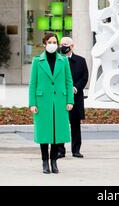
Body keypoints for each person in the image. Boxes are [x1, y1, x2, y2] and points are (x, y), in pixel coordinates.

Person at [29, 33, 74, 174]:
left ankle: (54, 162)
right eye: (50, 42)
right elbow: (33, 84)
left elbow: (69, 81)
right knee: (44, 133)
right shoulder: (37, 61)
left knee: (56, 133)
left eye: (55, 42)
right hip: (42, 102)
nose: (52, 44)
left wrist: (70, 100)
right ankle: (44, 162)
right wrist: (32, 103)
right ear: (44, 43)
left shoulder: (63, 61)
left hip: (60, 101)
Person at [57, 37, 89, 159]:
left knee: (75, 124)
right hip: (61, 97)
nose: (63, 46)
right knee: (61, 124)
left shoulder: (81, 61)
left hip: (76, 96)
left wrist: (75, 88)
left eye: (65, 44)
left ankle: (76, 150)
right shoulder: (57, 60)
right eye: (61, 44)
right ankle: (60, 150)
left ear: (72, 46)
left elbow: (84, 77)